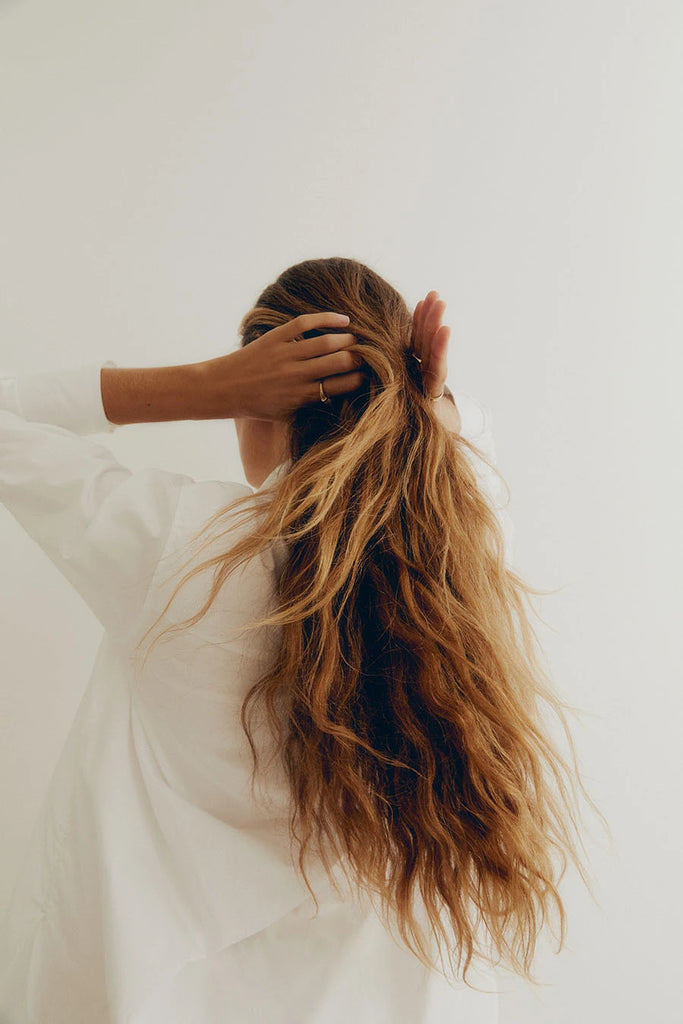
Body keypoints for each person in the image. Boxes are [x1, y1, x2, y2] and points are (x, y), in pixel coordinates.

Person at [0, 258, 594, 1023]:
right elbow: (463, 443)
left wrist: (206, 384)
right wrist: (427, 405)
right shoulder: (463, 551)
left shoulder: (175, 544)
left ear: (256, 395)